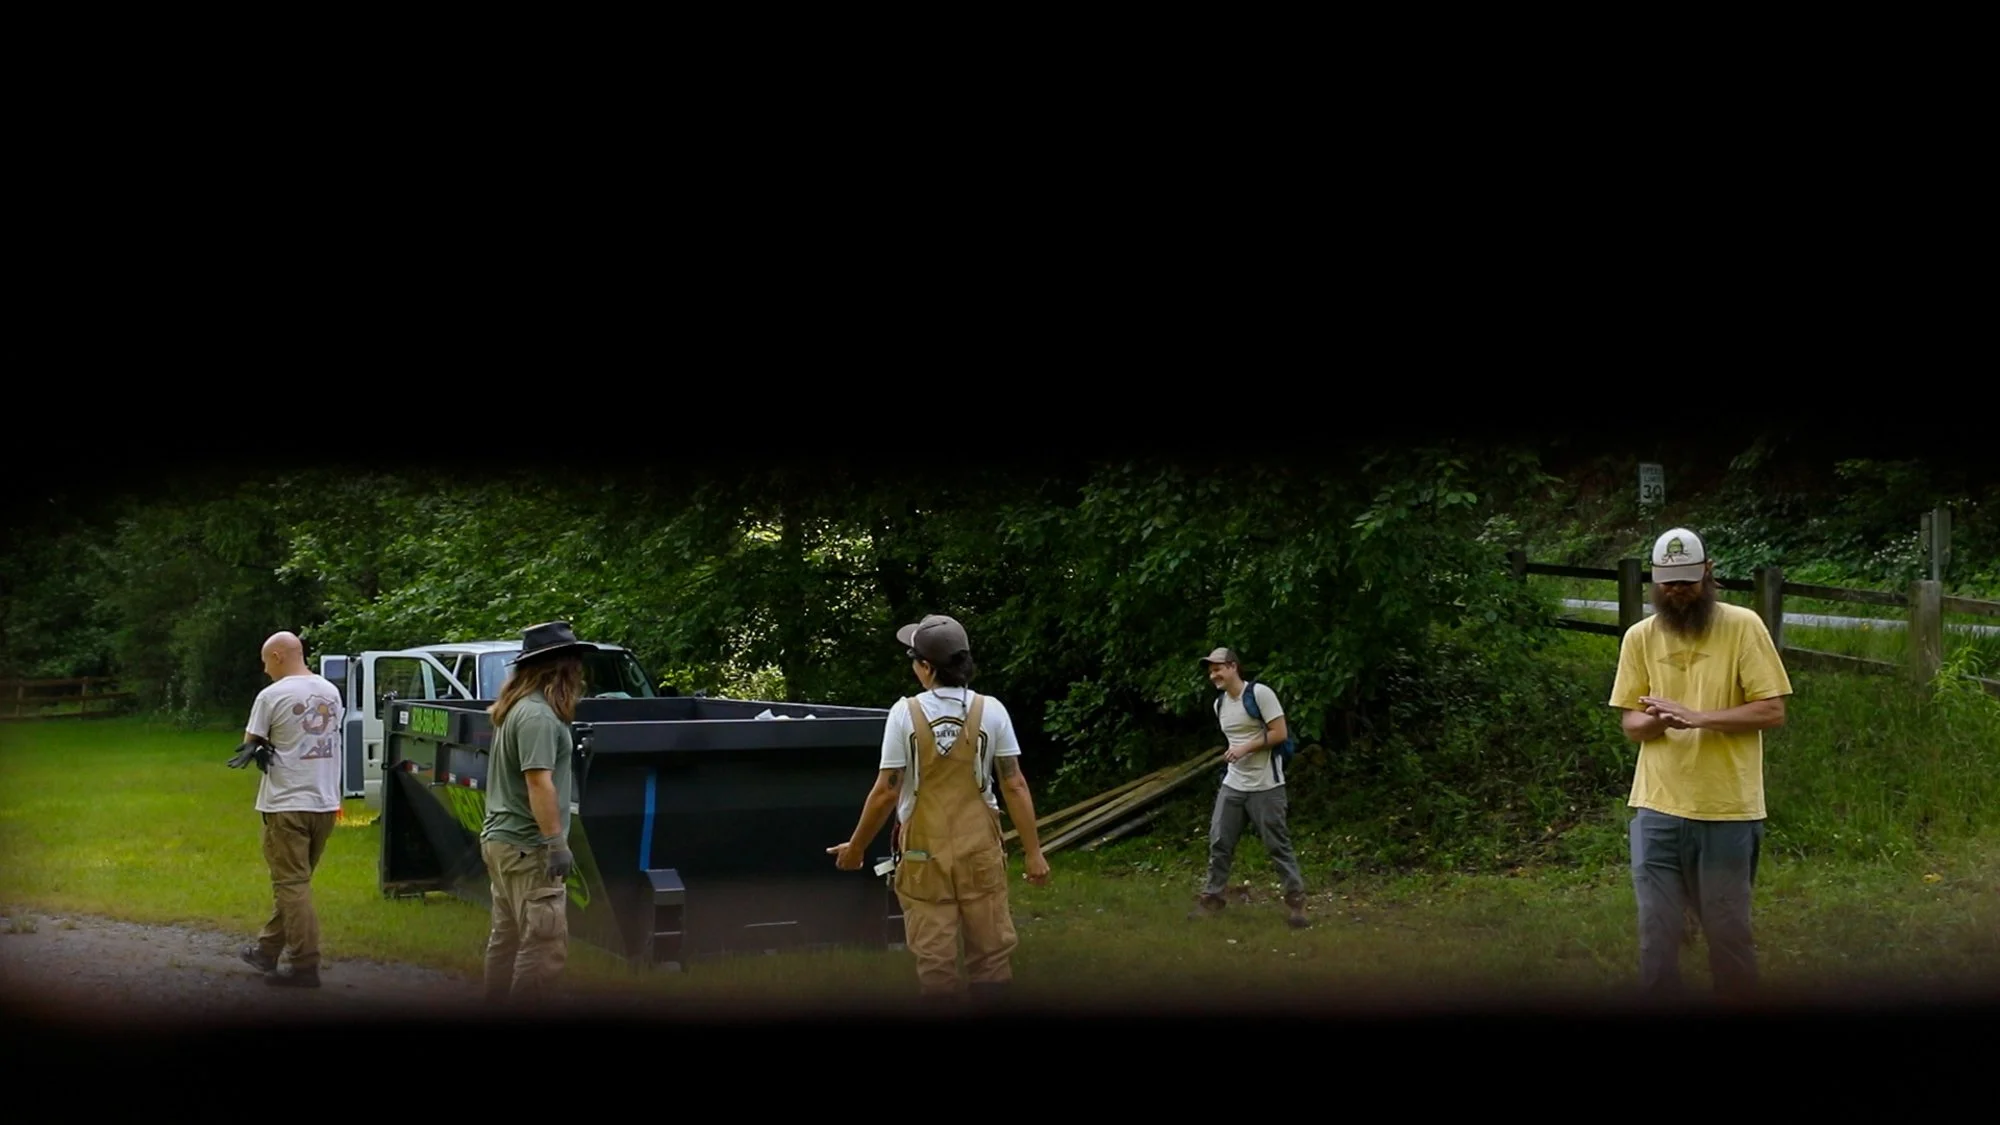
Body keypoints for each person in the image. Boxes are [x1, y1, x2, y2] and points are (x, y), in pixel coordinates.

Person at [827, 613, 1051, 1003]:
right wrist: (1033, 853)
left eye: (914, 661)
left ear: (927, 667)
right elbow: (1014, 783)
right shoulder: (992, 710)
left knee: (936, 966)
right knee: (991, 959)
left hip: (922, 856)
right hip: (979, 851)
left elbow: (886, 792)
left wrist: (857, 847)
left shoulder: (904, 714)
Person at [1609, 527, 1792, 1000]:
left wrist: (1698, 717)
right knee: (1657, 935)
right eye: (1668, 582)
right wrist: (1660, 721)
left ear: (1708, 573)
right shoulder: (1639, 637)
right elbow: (1631, 724)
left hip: (1727, 809)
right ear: (1655, 580)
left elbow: (1771, 710)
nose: (1678, 590)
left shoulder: (1743, 626)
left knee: (1728, 935)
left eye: (1688, 581)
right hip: (1656, 808)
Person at [478, 620, 589, 1005]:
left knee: (506, 940)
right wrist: (556, 843)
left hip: (504, 842)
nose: (579, 672)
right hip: (528, 847)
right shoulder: (538, 716)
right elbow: (539, 782)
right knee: (543, 945)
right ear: (561, 668)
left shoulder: (517, 708)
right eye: (575, 662)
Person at [233, 631, 346, 988]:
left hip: (286, 803)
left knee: (291, 885)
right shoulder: (331, 691)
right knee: (297, 885)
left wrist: (258, 746)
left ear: (278, 656)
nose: (265, 669)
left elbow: (251, 740)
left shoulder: (271, 695)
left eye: (265, 661)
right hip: (325, 803)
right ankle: (266, 950)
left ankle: (304, 966)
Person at [1188, 647, 1308, 929]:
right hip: (1234, 783)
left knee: (1277, 844)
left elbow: (1280, 733)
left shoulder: (1260, 694)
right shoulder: (1220, 705)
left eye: (1218, 668)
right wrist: (1236, 752)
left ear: (1233, 667)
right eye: (1210, 671)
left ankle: (1297, 904)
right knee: (1220, 840)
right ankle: (1212, 898)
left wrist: (1244, 748)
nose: (1213, 675)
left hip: (1266, 785)